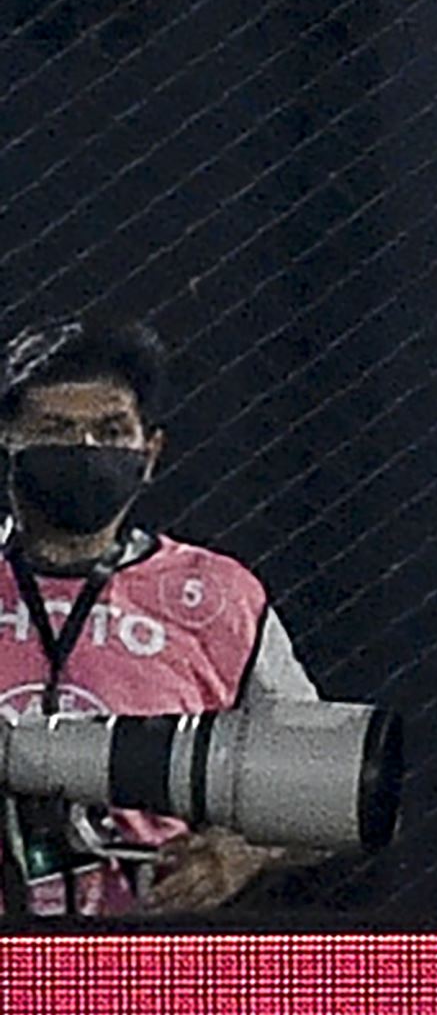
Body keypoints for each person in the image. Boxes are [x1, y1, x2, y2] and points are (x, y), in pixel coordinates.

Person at [0, 318, 323, 917]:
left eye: (111, 430)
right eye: (55, 430)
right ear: (8, 443)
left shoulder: (216, 595)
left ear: (150, 453)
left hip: (154, 957)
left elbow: (324, 792)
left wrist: (241, 851)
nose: (86, 451)